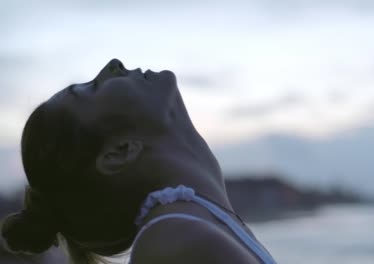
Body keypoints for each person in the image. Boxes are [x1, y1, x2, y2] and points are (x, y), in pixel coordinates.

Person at [0, 59, 277, 264]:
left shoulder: (195, 229)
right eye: (92, 89)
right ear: (119, 152)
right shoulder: (176, 244)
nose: (113, 65)